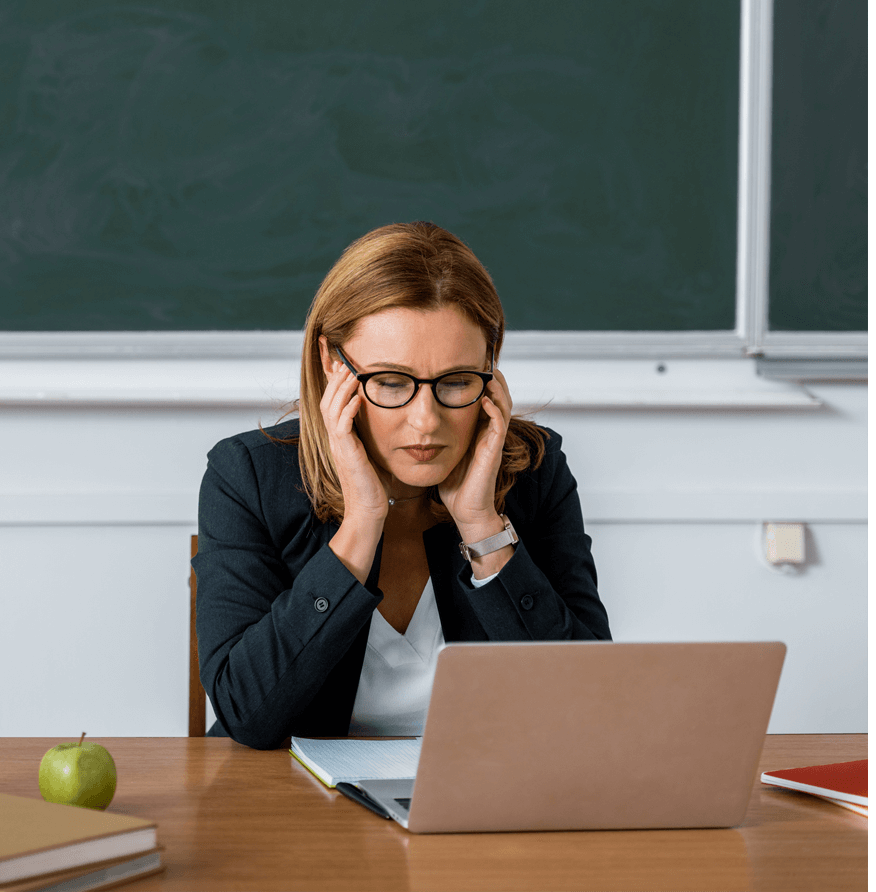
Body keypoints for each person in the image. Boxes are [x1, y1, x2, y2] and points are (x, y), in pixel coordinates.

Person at [193, 222, 610, 750]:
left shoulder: (534, 471)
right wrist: (362, 526)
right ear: (331, 365)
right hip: (298, 808)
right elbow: (247, 717)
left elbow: (584, 704)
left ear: (490, 367)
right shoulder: (248, 476)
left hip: (480, 799)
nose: (426, 422)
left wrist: (483, 529)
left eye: (457, 381)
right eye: (391, 382)